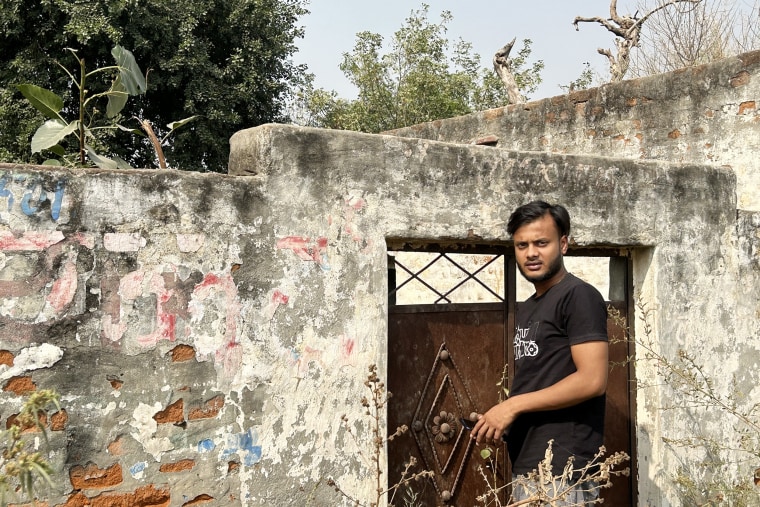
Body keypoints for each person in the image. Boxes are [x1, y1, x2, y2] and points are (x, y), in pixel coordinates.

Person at [471, 200, 609, 505]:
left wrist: (512, 406)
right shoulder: (531, 306)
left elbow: (592, 380)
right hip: (531, 464)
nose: (531, 252)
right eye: (522, 245)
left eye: (541, 243)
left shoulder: (578, 296)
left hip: (563, 468)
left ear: (563, 244)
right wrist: (502, 420)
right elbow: (543, 380)